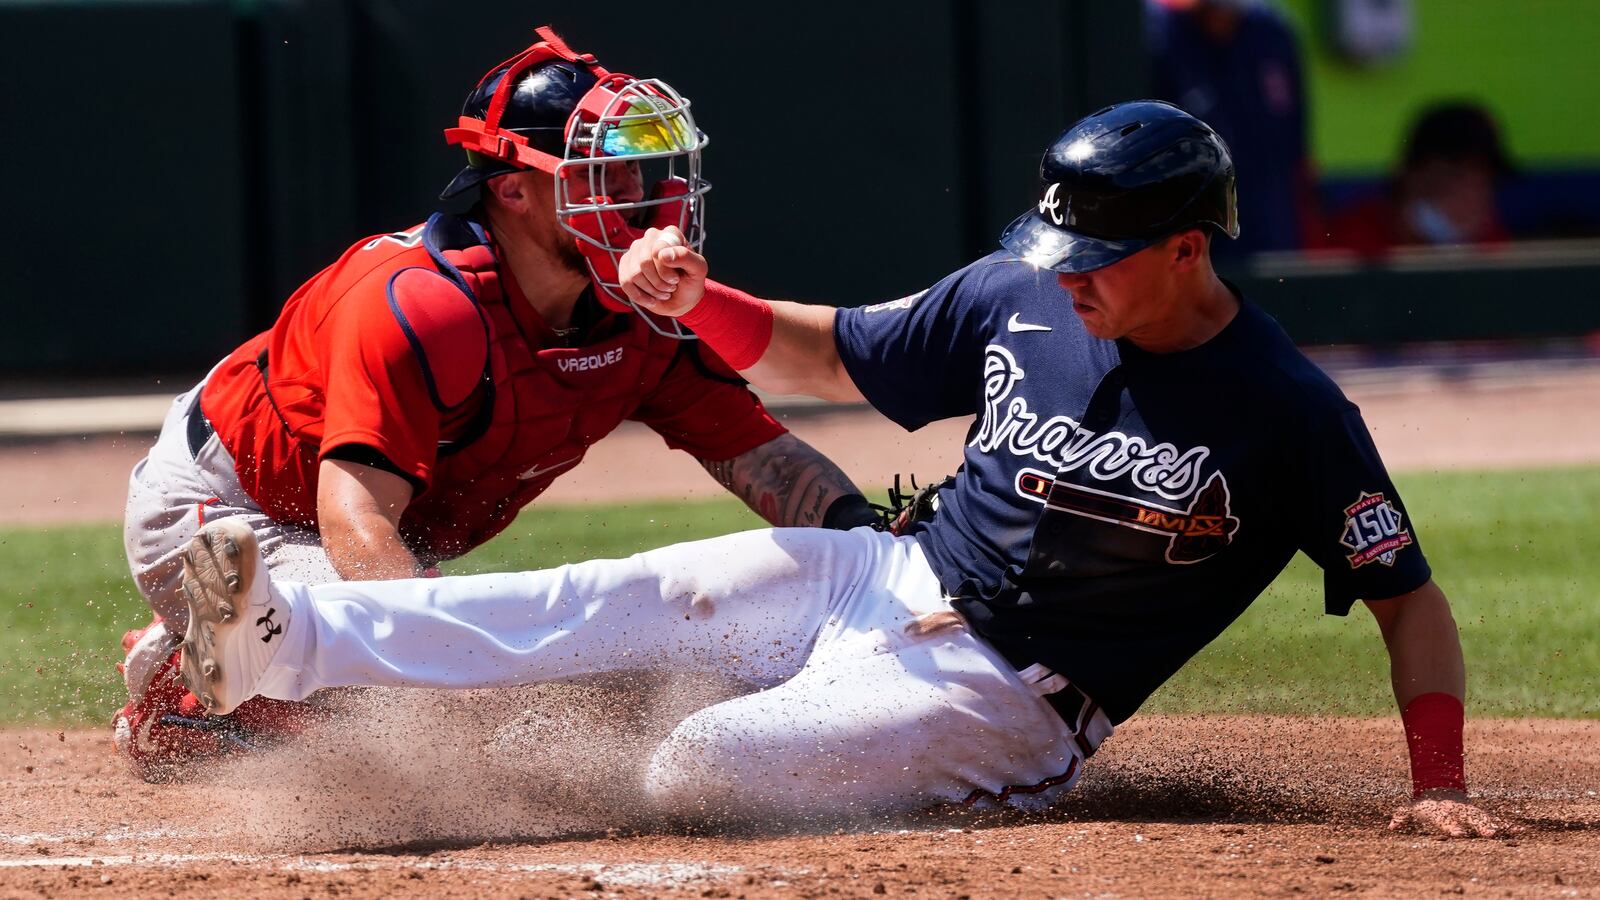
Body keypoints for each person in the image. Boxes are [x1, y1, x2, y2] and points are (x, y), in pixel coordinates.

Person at [172, 101, 1508, 837]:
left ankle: (574, 759)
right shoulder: (1022, 296)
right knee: (610, 595)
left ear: (1188, 250)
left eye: (1098, 259)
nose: (1070, 283)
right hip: (879, 568)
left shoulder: (1289, 412)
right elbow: (822, 357)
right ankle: (278, 638)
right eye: (1063, 256)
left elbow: (1411, 600)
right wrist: (700, 296)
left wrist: (1438, 787)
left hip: (1013, 697)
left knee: (698, 770)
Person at [112, 27, 876, 781]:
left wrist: (873, 542)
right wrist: (453, 672)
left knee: (603, 679)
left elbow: (759, 455)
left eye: (639, 175)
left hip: (357, 521)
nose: (639, 201)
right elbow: (356, 519)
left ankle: (266, 660)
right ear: (512, 188)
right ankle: (192, 685)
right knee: (455, 706)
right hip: (228, 518)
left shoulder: (642, 306)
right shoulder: (425, 304)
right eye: (601, 176)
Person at [1147, 0, 1318, 257]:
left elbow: (1297, 154)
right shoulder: (1155, 33)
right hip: (1189, 250)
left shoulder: (1273, 33)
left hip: (1272, 241)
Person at [1322, 101, 1514, 256]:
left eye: (1483, 183)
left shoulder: (1489, 243)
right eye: (1456, 178)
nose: (1469, 198)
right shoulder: (1352, 238)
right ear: (1409, 172)